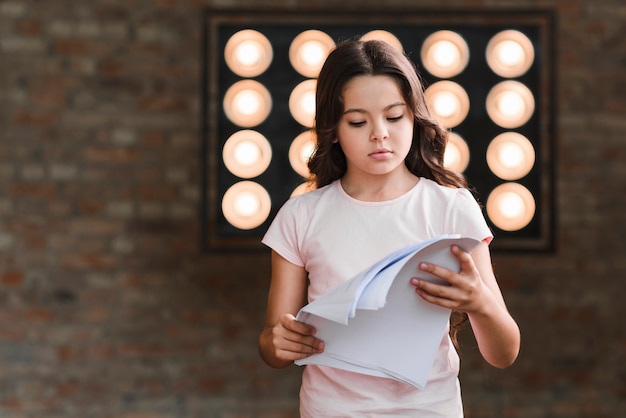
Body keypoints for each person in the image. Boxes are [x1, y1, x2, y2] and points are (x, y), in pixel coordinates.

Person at [258, 38, 520, 417]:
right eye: (358, 121)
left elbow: (504, 353)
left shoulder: (451, 207)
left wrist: (479, 304)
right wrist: (279, 341)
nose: (379, 133)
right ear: (332, 129)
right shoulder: (301, 216)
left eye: (395, 117)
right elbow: (272, 346)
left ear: (415, 117)